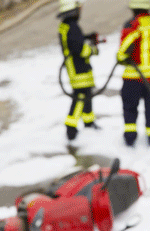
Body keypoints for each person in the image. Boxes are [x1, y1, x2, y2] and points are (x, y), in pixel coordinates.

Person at [117, 0, 150, 147]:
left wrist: (121, 58)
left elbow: (123, 51)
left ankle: (130, 138)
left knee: (130, 107)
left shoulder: (133, 24)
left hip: (135, 77)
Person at [57, 0, 100, 140]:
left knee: (86, 96)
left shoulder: (65, 26)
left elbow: (74, 41)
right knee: (80, 98)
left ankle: (88, 123)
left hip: (75, 69)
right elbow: (80, 49)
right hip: (79, 70)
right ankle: (71, 129)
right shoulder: (73, 27)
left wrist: (86, 37)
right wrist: (93, 50)